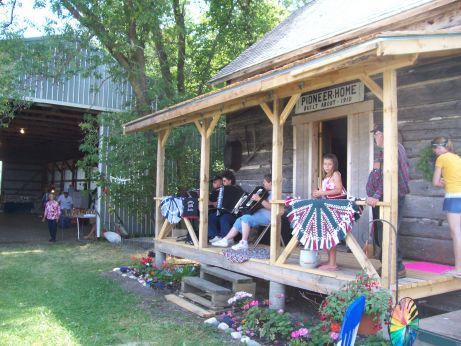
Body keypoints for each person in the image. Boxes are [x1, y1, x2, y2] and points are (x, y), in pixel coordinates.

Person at [366, 124, 409, 278]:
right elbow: (379, 176)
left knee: (389, 233)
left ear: (384, 134)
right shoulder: (385, 152)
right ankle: (387, 266)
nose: (375, 137)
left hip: (390, 198)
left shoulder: (394, 149)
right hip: (382, 198)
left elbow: (390, 178)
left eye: (376, 134)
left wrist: (376, 196)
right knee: (381, 234)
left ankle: (396, 268)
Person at [212, 174, 272, 250]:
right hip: (260, 214)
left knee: (245, 218)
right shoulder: (267, 192)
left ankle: (244, 242)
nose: (263, 183)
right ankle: (226, 239)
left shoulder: (275, 193)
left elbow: (272, 207)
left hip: (268, 217)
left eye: (265, 182)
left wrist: (259, 199)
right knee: (239, 219)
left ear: (270, 183)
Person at [431, 136, 461, 278]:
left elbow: (435, 182)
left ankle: (459, 269)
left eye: (434, 148)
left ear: (439, 147)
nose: (434, 151)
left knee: (456, 233)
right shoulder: (457, 158)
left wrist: (442, 182)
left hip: (454, 197)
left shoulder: (441, 158)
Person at [312, 153, 346, 271]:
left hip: (335, 208)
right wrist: (317, 193)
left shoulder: (336, 174)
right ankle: (330, 260)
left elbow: (338, 189)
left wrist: (322, 193)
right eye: (325, 164)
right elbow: (324, 193)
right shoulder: (325, 178)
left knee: (330, 234)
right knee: (325, 234)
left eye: (329, 164)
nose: (327, 166)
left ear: (334, 165)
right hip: (327, 207)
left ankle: (332, 264)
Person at [208, 170, 243, 243]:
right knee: (210, 217)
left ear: (230, 181)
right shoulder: (222, 190)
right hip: (224, 212)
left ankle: (227, 238)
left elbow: (242, 200)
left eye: (224, 181)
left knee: (224, 218)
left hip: (235, 214)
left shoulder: (238, 190)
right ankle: (216, 236)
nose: (223, 183)